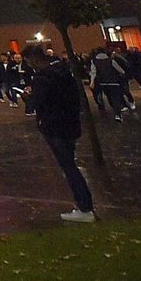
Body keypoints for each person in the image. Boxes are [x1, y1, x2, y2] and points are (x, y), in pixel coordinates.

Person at [22, 44, 95, 222]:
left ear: (33, 59)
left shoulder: (41, 78)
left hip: (53, 126)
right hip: (70, 123)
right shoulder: (63, 72)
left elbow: (39, 103)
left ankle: (85, 208)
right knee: (70, 164)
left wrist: (28, 98)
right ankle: (84, 206)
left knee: (68, 167)